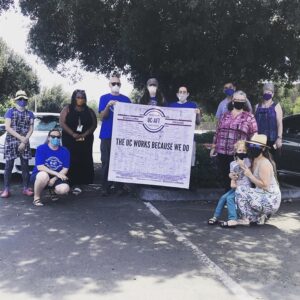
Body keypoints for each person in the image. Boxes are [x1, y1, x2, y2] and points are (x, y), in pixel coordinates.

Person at [210, 90, 257, 192]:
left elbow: (254, 135)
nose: (239, 102)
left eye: (242, 100)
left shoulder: (249, 117)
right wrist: (213, 147)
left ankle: (239, 200)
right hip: (222, 151)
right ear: (232, 101)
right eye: (237, 100)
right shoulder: (225, 115)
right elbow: (217, 132)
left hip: (239, 154)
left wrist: (253, 151)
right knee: (225, 176)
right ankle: (229, 198)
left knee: (239, 178)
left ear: (245, 102)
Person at [235, 134, 281, 225]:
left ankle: (246, 219)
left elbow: (265, 186)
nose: (253, 147)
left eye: (256, 146)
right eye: (251, 145)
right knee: (243, 189)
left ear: (263, 148)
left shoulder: (264, 163)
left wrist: (250, 176)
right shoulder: (254, 159)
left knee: (240, 190)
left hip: (270, 198)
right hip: (261, 194)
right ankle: (257, 216)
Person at [98, 74, 131, 196]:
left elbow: (131, 117)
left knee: (120, 161)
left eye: (118, 84)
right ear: (109, 85)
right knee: (106, 161)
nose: (116, 85)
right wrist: (108, 105)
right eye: (113, 83)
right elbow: (102, 116)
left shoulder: (126, 99)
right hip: (107, 135)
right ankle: (105, 187)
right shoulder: (104, 98)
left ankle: (119, 187)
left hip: (122, 136)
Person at [208, 140, 251, 228]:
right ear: (235, 152)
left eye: (244, 151)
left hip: (244, 187)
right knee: (223, 197)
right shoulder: (232, 163)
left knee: (229, 198)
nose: (242, 152)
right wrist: (231, 176)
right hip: (235, 187)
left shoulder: (247, 161)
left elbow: (249, 172)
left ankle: (233, 219)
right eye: (240, 150)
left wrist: (242, 165)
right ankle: (215, 216)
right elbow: (231, 174)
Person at [60, 90, 97, 191]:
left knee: (85, 157)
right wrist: (72, 133)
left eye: (83, 97)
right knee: (71, 157)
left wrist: (86, 133)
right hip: (69, 138)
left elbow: (94, 124)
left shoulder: (89, 110)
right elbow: (62, 123)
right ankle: (71, 181)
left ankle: (84, 180)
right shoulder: (67, 109)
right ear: (74, 98)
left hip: (86, 139)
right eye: (78, 97)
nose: (81, 99)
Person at [1, 90, 34, 198]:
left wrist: (25, 141)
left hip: (24, 142)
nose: (22, 101)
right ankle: (6, 189)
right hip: (11, 142)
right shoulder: (10, 111)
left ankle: (25, 188)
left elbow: (31, 128)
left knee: (25, 166)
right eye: (20, 99)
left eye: (24, 99)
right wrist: (21, 138)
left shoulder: (30, 113)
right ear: (16, 100)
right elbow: (7, 127)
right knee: (8, 166)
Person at [30, 129, 70, 206]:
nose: (56, 139)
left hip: (56, 176)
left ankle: (53, 191)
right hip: (40, 174)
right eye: (53, 136)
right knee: (43, 175)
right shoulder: (41, 148)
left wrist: (54, 178)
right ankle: (36, 198)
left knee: (64, 189)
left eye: (58, 137)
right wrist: (57, 174)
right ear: (48, 138)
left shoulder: (65, 151)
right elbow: (40, 167)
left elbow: (65, 168)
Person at [169, 85, 201, 167]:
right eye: (180, 92)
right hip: (174, 139)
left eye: (184, 92)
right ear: (177, 94)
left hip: (188, 139)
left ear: (187, 94)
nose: (182, 94)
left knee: (187, 164)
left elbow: (198, 122)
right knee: (173, 162)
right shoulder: (171, 106)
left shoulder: (193, 105)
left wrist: (198, 114)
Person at [255, 82, 283, 157]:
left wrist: (279, 138)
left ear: (272, 94)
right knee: (257, 161)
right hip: (258, 139)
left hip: (272, 140)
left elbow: (279, 124)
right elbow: (253, 123)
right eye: (266, 91)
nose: (267, 93)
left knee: (270, 161)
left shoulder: (277, 106)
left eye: (269, 92)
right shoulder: (257, 106)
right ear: (263, 92)